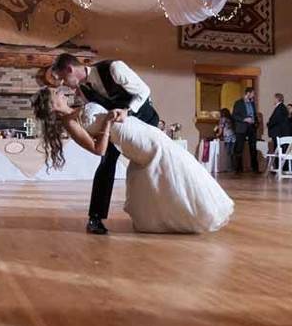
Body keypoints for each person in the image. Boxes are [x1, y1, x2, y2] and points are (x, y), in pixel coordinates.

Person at [32, 88, 232, 233]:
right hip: (130, 139)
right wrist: (108, 123)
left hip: (140, 129)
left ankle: (194, 209)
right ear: (52, 105)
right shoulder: (70, 122)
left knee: (175, 163)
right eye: (55, 94)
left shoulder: (78, 107)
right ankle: (193, 212)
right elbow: (99, 149)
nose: (60, 91)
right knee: (166, 165)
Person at [51, 53, 159, 235]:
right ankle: (96, 218)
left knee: (149, 166)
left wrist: (128, 111)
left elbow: (144, 91)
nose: (62, 83)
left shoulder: (114, 68)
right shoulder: (84, 91)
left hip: (144, 119)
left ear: (70, 69)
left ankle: (156, 213)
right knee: (106, 163)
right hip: (116, 127)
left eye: (62, 78)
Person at [231, 87, 259, 174]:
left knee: (253, 148)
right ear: (248, 93)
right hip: (241, 127)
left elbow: (254, 114)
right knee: (239, 148)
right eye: (253, 93)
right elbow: (234, 115)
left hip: (251, 128)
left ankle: (255, 168)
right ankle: (238, 169)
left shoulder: (252, 103)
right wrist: (244, 119)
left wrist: (256, 122)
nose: (254, 95)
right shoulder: (238, 103)